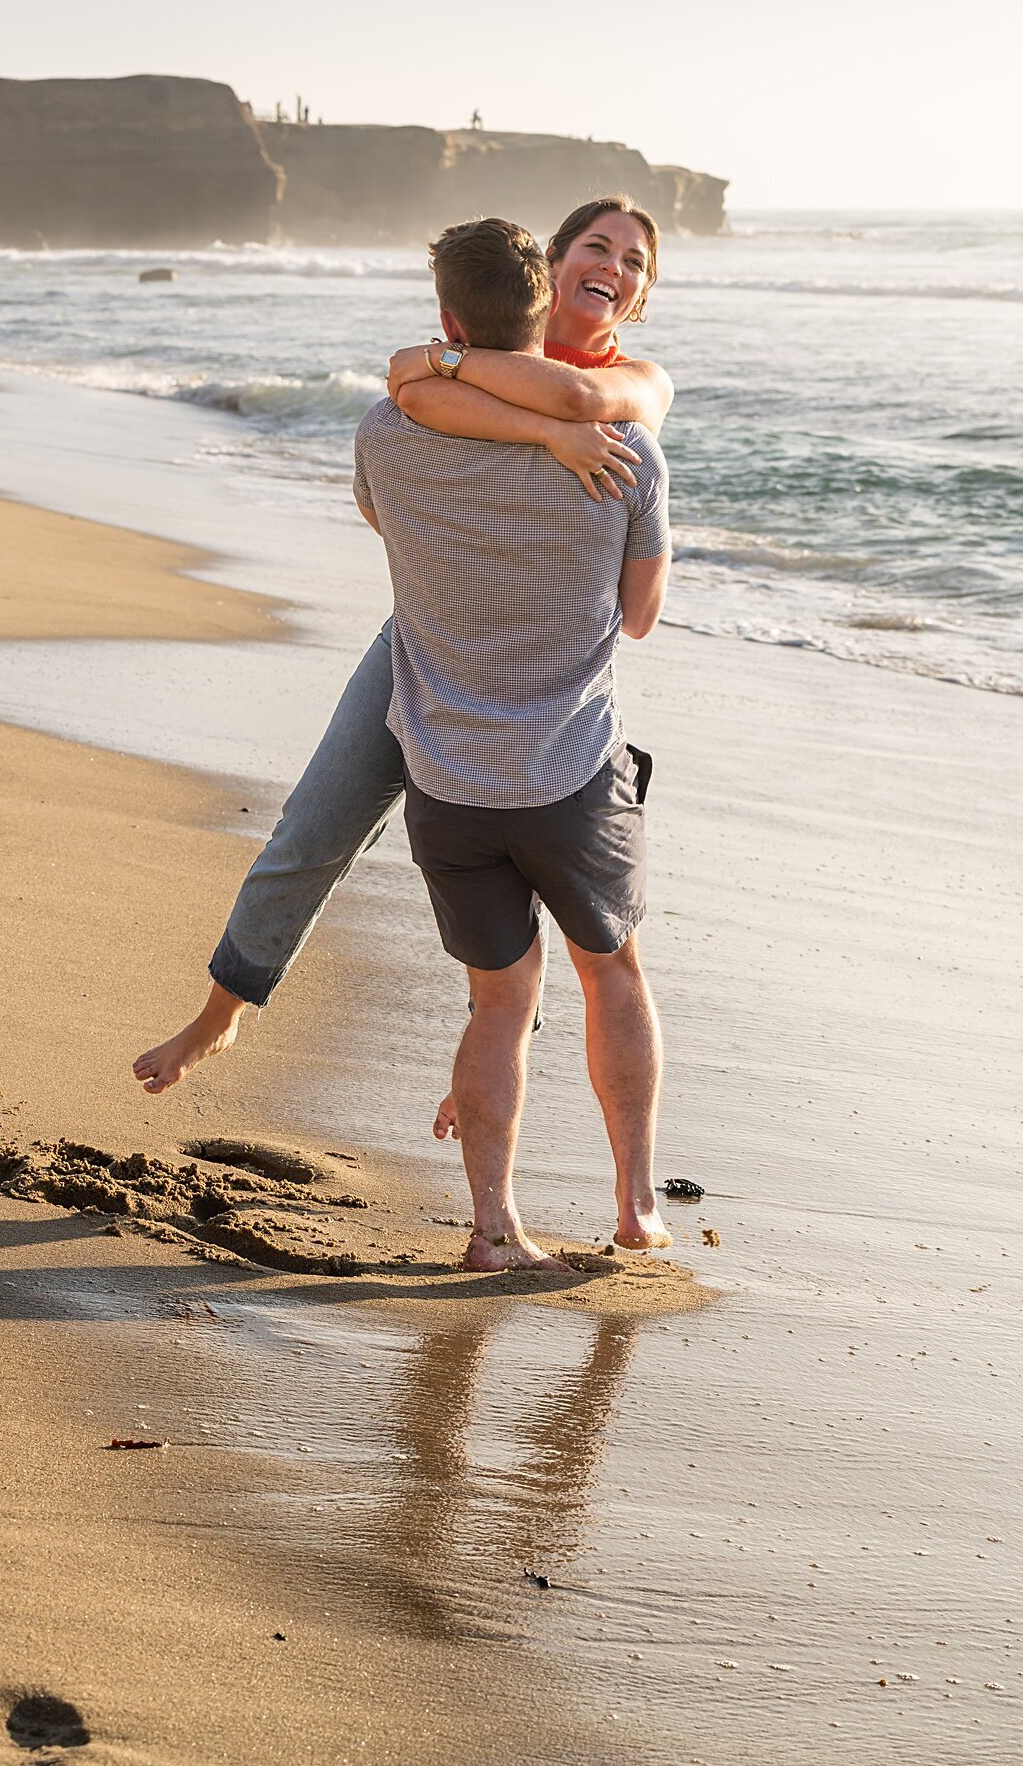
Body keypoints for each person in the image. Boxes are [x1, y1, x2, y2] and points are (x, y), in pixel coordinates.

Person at [131, 195, 671, 1107]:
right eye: (597, 245)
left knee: (514, 852)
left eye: (635, 261)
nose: (615, 267)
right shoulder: (483, 356)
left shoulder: (634, 383)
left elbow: (556, 396)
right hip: (424, 635)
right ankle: (225, 1007)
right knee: (319, 822)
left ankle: (486, 1057)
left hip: (543, 661)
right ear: (554, 258)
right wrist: (542, 430)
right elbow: (415, 392)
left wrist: (492, 383)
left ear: (640, 294)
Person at [352, 217, 670, 1267]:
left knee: (499, 1002)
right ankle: (633, 1207)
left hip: (445, 785)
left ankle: (493, 1231)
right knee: (611, 974)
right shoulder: (624, 451)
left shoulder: (384, 433)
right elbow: (637, 616)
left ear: (451, 323)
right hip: (567, 775)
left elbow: (381, 521)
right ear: (545, 309)